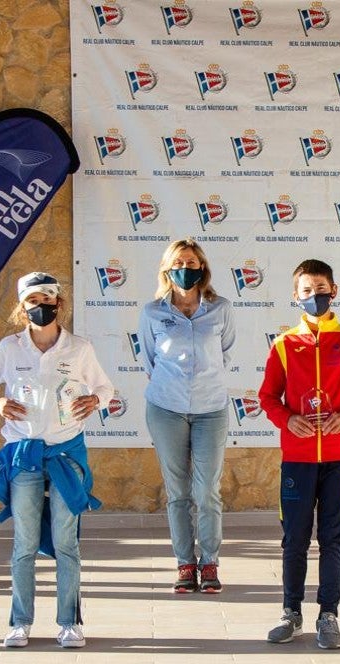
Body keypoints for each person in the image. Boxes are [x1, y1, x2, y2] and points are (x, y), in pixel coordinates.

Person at [0, 272, 114, 649]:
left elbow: (104, 385)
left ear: (59, 304)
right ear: (23, 307)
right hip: (24, 456)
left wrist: (96, 399)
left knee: (67, 542)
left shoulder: (79, 348)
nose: (41, 307)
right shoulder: (10, 347)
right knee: (25, 543)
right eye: (33, 301)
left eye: (47, 300)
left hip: (66, 454)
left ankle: (69, 622)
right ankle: (20, 622)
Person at [258, 259, 340, 650]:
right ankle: (290, 613)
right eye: (307, 290)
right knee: (294, 538)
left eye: (321, 288)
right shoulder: (283, 345)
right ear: (296, 296)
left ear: (335, 290)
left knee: (332, 537)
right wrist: (287, 419)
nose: (315, 296)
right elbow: (267, 397)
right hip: (297, 458)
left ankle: (329, 614)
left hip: (339, 457)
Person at [137, 239, 236, 593]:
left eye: (192, 261)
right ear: (167, 268)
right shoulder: (152, 312)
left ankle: (209, 562)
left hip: (211, 409)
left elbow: (225, 353)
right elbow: (149, 359)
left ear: (202, 267)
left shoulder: (220, 308)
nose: (186, 267)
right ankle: (184, 563)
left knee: (207, 490)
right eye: (179, 262)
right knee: (178, 491)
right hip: (166, 409)